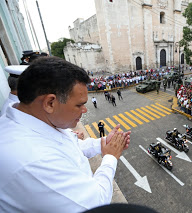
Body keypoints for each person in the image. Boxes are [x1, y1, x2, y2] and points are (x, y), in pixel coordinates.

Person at [0, 57, 131, 212]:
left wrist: (103, 143)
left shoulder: (38, 120)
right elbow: (96, 203)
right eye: (79, 105)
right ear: (50, 103)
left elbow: (71, 145)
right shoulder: (33, 161)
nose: (85, 110)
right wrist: (110, 157)